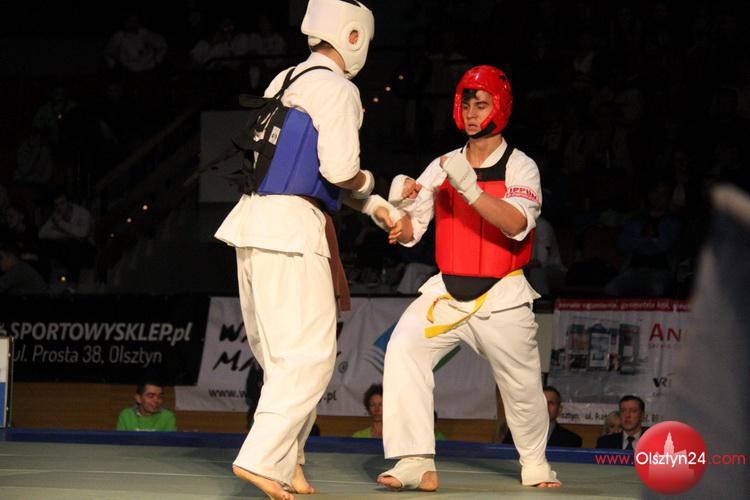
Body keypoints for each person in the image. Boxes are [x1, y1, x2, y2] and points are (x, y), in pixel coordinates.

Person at [214, 2, 396, 498]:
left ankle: (289, 460)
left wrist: (374, 206)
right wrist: (371, 184)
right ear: (354, 37)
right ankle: (259, 458)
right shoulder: (338, 88)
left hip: (254, 222)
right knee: (311, 357)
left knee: (280, 360)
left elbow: (302, 164)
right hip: (293, 231)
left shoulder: (285, 79)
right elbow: (340, 172)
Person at [377, 65, 560, 491]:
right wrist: (393, 212)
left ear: (501, 107)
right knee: (403, 348)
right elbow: (412, 231)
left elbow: (517, 224)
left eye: (481, 104)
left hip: (501, 295)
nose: (472, 112)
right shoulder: (442, 165)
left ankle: (536, 463)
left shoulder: (521, 166)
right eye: (466, 104)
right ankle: (415, 461)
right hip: (446, 293)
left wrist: (471, 189)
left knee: (522, 387)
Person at [37, 192, 95, 284]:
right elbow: (41, 234)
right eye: (56, 205)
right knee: (43, 244)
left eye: (62, 203)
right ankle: (44, 282)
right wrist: (65, 234)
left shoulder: (82, 213)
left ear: (69, 202)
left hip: (87, 250)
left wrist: (61, 224)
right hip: (67, 248)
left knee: (74, 243)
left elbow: (83, 234)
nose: (59, 207)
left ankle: (73, 284)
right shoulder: (56, 215)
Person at [503, 386, 582, 447]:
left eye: (551, 403)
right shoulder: (516, 435)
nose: (545, 406)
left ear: (559, 409)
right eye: (542, 402)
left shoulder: (572, 440)